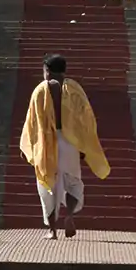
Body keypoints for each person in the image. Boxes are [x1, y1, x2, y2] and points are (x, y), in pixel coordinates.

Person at [20, 53, 110, 239]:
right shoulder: (75, 89)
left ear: (47, 70)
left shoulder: (39, 91)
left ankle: (52, 231)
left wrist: (28, 147)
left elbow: (32, 121)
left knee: (47, 186)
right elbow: (86, 119)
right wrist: (84, 145)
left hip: (46, 144)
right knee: (73, 183)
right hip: (70, 143)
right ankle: (69, 215)